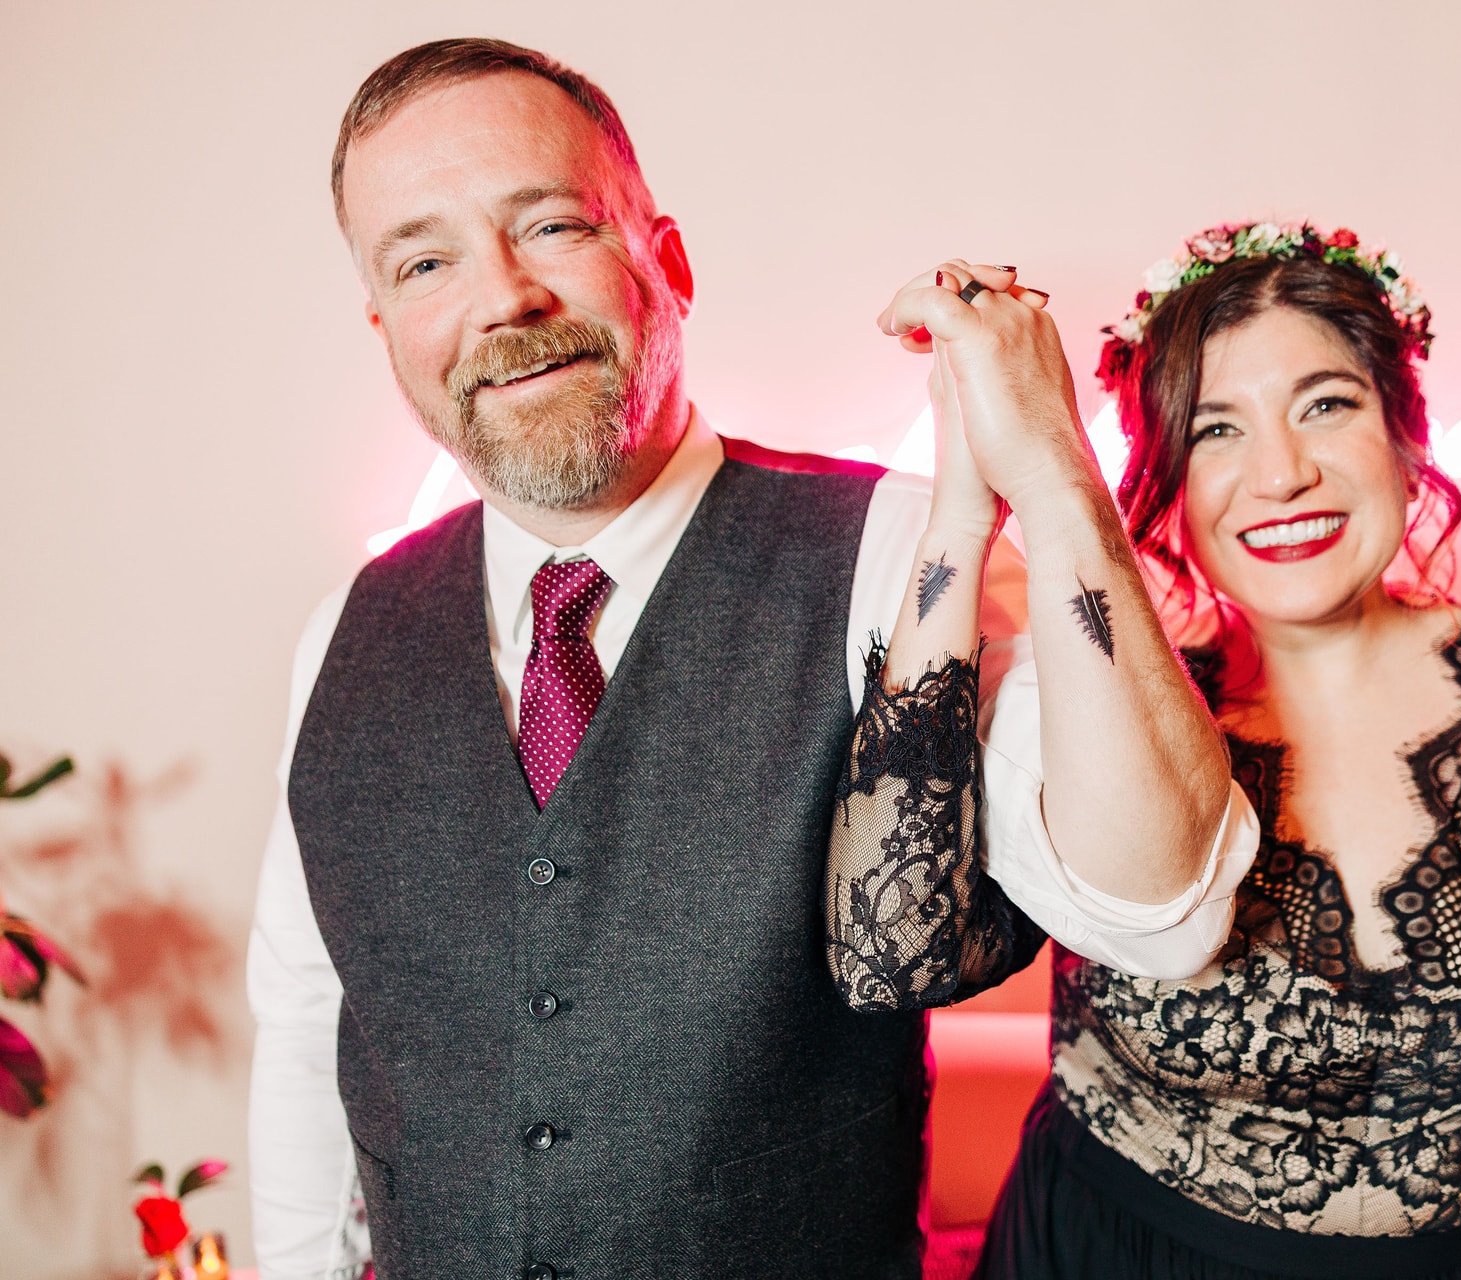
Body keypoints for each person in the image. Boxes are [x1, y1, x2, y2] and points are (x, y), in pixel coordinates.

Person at [245, 39, 1246, 1280]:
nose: (503, 298)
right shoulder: (347, 628)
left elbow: (1160, 912)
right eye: (427, 260)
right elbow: (307, 1021)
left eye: (551, 226)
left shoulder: (895, 553)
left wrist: (1048, 468)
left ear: (665, 262)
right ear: (387, 321)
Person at [865, 223, 1461, 1279]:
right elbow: (900, 948)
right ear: (1164, 485)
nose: (1281, 474)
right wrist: (969, 504)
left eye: (1327, 404)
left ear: (1404, 434)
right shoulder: (1101, 699)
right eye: (1213, 430)